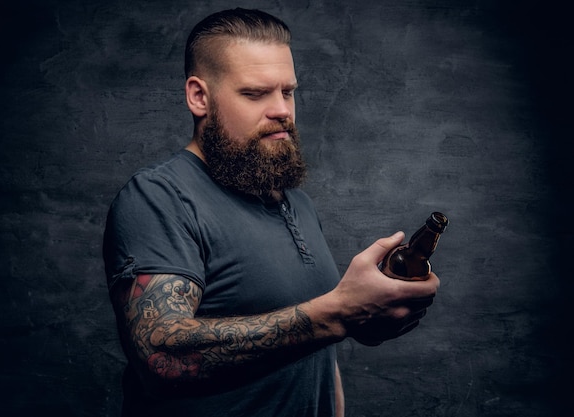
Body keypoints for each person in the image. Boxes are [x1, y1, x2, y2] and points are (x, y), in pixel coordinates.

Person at [102, 8, 440, 417]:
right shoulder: (159, 198)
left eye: (288, 91)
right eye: (255, 93)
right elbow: (161, 358)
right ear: (199, 96)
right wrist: (336, 313)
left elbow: (313, 353)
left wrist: (360, 319)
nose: (282, 109)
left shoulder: (295, 202)